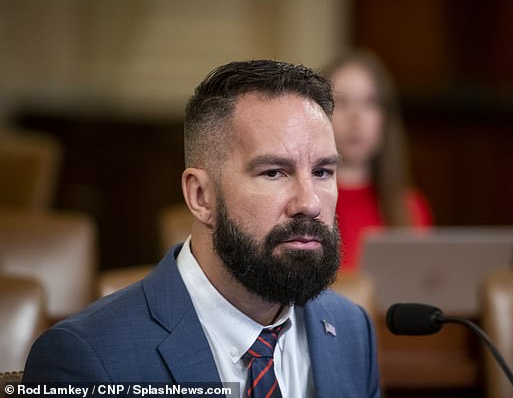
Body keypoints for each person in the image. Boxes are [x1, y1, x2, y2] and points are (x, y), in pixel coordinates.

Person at [23, 60, 381, 398]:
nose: (311, 203)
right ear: (201, 196)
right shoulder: (86, 356)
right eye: (274, 172)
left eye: (322, 172)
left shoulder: (351, 331)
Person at [322, 50, 433, 271]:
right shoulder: (303, 205)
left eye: (370, 103)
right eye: (341, 102)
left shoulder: (410, 207)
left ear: (385, 118)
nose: (356, 117)